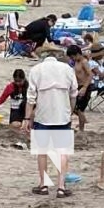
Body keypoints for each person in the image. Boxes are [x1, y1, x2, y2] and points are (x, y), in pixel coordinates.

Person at [22, 56, 77, 198]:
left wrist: (27, 118)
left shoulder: (36, 69)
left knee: (42, 152)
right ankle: (61, 187)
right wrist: (69, 111)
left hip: (42, 116)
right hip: (62, 116)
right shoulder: (67, 69)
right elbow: (73, 94)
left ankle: (43, 185)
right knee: (62, 152)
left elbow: (31, 98)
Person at [66, 45, 93, 131]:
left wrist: (84, 87)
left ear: (77, 54)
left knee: (80, 110)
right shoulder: (76, 62)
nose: (71, 58)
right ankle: (83, 120)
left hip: (85, 86)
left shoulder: (84, 62)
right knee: (73, 107)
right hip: (78, 86)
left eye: (72, 56)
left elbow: (90, 74)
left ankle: (82, 129)